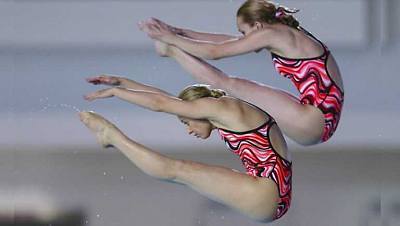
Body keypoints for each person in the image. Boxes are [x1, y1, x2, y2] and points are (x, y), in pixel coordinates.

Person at [80, 76, 292, 221]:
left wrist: (117, 91)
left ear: (197, 109)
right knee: (181, 172)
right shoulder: (223, 109)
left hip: (265, 193)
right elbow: (165, 98)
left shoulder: (219, 107)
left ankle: (111, 136)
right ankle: (111, 136)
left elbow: (160, 103)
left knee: (178, 170)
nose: (189, 130)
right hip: (273, 194)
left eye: (186, 122)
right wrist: (124, 82)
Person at [139, 0, 344, 145]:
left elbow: (215, 52)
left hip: (312, 121)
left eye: (244, 31)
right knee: (231, 84)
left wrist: (171, 40)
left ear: (257, 25)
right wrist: (178, 32)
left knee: (227, 84)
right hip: (319, 120)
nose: (243, 37)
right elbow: (227, 41)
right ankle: (171, 47)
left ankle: (171, 51)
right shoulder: (285, 32)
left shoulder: (271, 33)